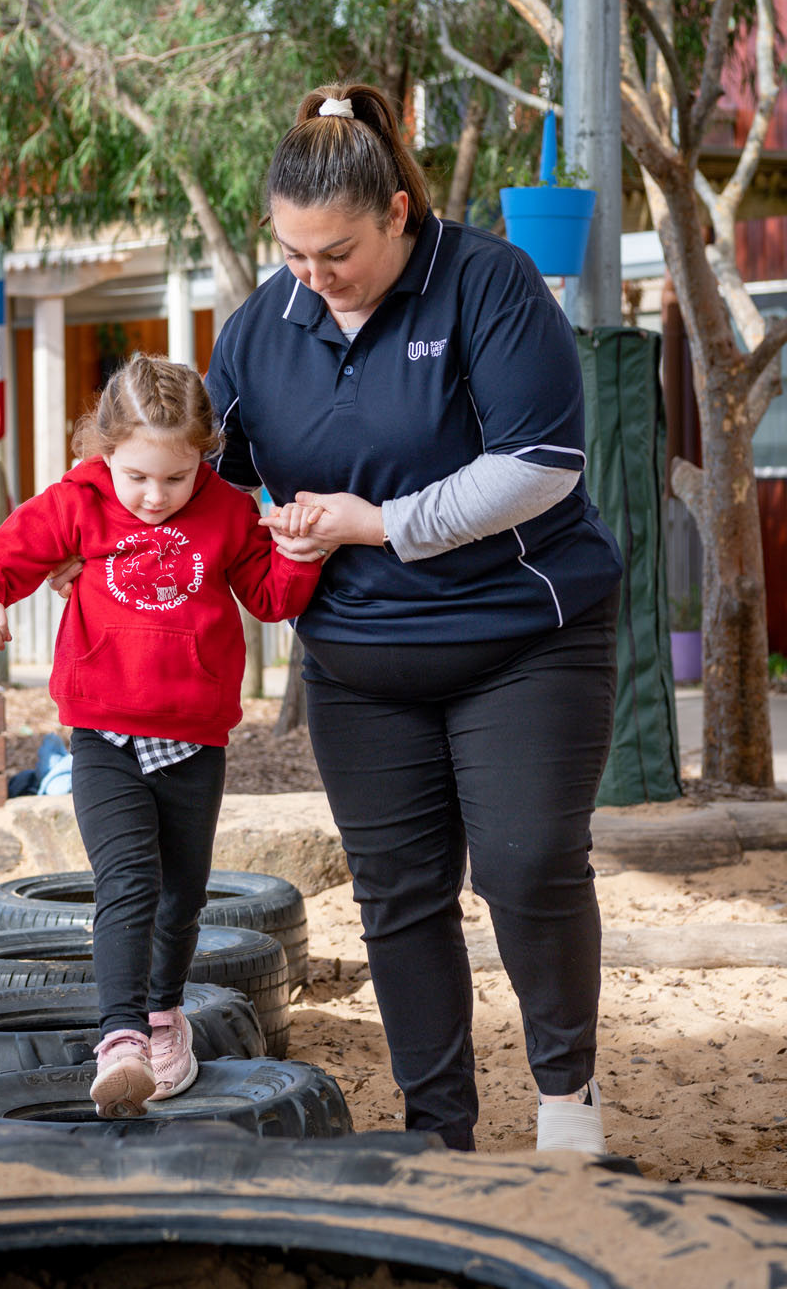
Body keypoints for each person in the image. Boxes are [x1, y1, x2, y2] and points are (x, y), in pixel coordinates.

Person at [210, 82, 624, 1155]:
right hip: (357, 657)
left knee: (527, 865)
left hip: (520, 635)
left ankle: (567, 1099)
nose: (313, 278)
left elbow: (539, 467)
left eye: (335, 252)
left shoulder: (488, 281)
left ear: (397, 209)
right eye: (293, 254)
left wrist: (375, 522)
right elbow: (219, 482)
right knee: (397, 897)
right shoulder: (264, 324)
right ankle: (440, 1134)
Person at [0, 354, 323, 1120]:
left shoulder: (223, 510)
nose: (155, 496)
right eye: (137, 476)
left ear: (204, 459)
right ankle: (119, 1039)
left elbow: (269, 596)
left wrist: (302, 552)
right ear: (105, 451)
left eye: (175, 478)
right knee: (128, 883)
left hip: (194, 737)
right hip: (103, 733)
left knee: (183, 892)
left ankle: (162, 1017)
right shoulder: (80, 501)